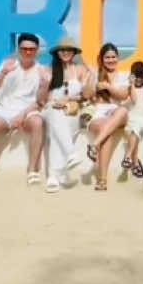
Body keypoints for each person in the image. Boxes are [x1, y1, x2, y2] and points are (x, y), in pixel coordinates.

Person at [0, 32, 47, 193]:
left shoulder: (42, 70)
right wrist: (3, 73)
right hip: (5, 108)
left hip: (29, 110)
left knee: (38, 122)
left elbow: (41, 101)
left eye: (32, 49)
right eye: (24, 48)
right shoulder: (9, 64)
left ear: (37, 50)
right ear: (18, 48)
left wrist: (43, 85)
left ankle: (33, 170)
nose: (28, 52)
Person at [42, 37, 89, 193]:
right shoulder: (49, 70)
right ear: (57, 53)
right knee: (57, 115)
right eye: (62, 50)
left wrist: (68, 99)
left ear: (74, 52)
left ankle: (56, 175)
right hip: (51, 108)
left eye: (69, 50)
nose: (66, 52)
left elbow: (86, 96)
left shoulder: (80, 69)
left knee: (59, 132)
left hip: (71, 109)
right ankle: (70, 154)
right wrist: (45, 86)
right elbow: (42, 99)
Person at [83, 42, 130, 191]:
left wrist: (108, 87)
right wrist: (91, 77)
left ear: (118, 57)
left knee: (122, 111)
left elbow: (123, 96)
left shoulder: (124, 75)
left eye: (113, 57)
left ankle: (94, 144)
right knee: (107, 132)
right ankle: (102, 180)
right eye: (107, 57)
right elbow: (86, 95)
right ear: (102, 59)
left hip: (116, 113)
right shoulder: (96, 74)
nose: (111, 60)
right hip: (98, 112)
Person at [123, 60, 143, 179]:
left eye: (141, 76)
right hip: (133, 118)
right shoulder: (131, 87)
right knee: (134, 130)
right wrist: (132, 84)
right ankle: (134, 163)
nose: (139, 79)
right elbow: (134, 100)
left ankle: (128, 156)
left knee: (135, 129)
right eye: (137, 76)